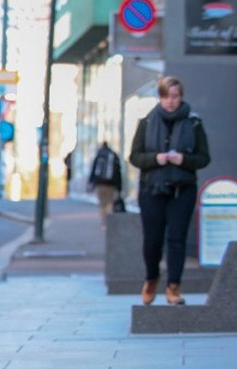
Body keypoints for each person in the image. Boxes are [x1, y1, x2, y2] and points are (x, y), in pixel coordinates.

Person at [129, 76, 210, 306]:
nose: (171, 101)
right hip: (152, 189)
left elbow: (204, 158)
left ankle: (173, 287)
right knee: (152, 241)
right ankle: (151, 278)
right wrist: (157, 158)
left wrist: (183, 159)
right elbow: (135, 157)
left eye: (175, 96)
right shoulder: (147, 122)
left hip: (182, 190)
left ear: (181, 97)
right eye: (166, 96)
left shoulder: (194, 123)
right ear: (160, 97)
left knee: (177, 240)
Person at [88, 141, 122, 228]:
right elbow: (118, 172)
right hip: (111, 184)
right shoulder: (113, 155)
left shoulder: (99, 155)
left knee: (102, 204)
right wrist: (119, 187)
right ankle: (108, 222)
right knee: (110, 203)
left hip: (100, 184)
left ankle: (103, 222)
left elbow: (93, 170)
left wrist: (91, 183)